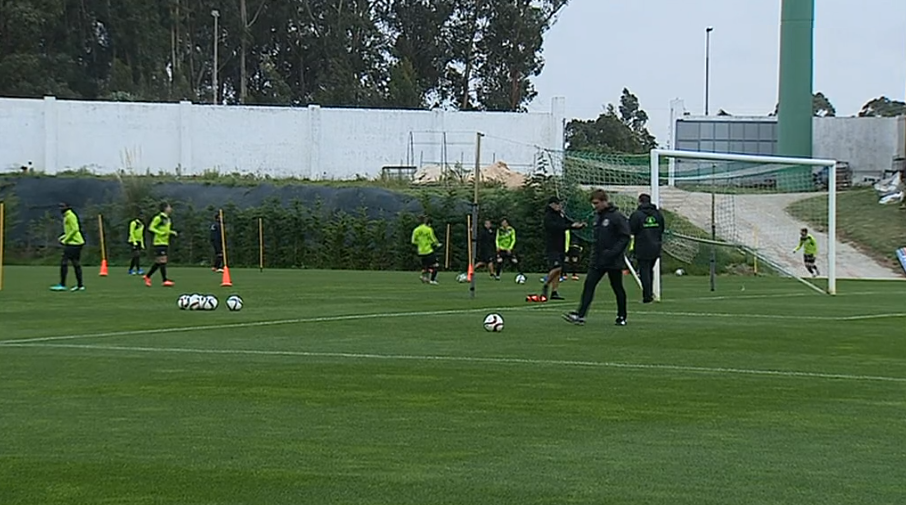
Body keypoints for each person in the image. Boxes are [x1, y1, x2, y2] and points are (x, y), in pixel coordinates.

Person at [563, 190, 631, 326]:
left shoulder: (616, 217)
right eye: (593, 203)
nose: (595, 206)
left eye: (596, 203)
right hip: (598, 259)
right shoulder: (597, 217)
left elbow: (625, 237)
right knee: (589, 285)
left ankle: (622, 316)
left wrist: (614, 252)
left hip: (613, 260)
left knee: (617, 287)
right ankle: (580, 315)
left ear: (604, 201)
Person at [540, 196, 585, 301]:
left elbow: (567, 223)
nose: (559, 206)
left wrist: (577, 225)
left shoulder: (560, 215)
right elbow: (555, 227)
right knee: (557, 267)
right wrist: (570, 226)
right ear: (552, 205)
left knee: (558, 271)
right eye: (557, 204)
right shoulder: (548, 216)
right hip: (552, 246)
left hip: (561, 246)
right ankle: (546, 284)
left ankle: (554, 292)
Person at [629, 193, 665, 303]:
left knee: (644, 271)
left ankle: (647, 296)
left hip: (642, 246)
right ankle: (649, 294)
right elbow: (662, 228)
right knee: (650, 270)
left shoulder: (637, 215)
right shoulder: (658, 214)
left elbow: (631, 229)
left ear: (640, 201)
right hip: (655, 246)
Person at [50, 203, 86, 292]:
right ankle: (80, 285)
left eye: (62, 207)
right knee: (75, 263)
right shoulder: (67, 216)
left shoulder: (70, 216)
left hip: (74, 243)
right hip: (76, 242)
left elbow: (75, 229)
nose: (61, 208)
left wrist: (66, 240)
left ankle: (62, 284)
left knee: (64, 262)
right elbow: (69, 230)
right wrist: (63, 236)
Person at [144, 202, 178, 287]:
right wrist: (160, 233)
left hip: (165, 242)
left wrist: (171, 232)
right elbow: (151, 228)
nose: (170, 209)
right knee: (163, 260)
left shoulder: (167, 219)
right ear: (165, 208)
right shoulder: (158, 218)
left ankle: (147, 276)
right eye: (169, 207)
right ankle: (164, 280)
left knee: (159, 262)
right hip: (159, 242)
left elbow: (165, 230)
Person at [411, 215, 441, 284]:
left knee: (426, 266)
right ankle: (432, 280)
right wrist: (437, 244)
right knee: (435, 265)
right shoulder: (428, 229)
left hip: (421, 251)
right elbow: (433, 239)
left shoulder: (416, 230)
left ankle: (424, 277)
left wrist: (420, 243)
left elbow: (413, 241)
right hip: (428, 250)